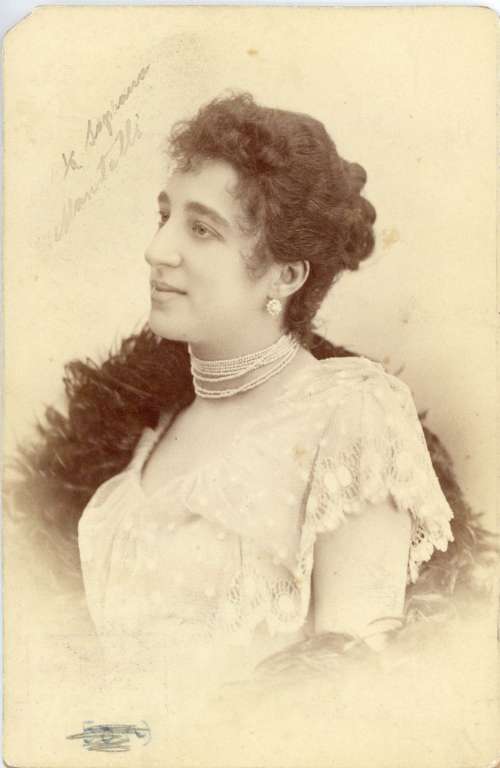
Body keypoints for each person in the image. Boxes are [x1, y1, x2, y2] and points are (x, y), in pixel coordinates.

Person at [6, 92, 495, 740]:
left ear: (285, 275)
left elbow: (358, 689)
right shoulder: (150, 425)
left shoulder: (351, 413)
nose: (158, 249)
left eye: (202, 229)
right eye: (165, 216)